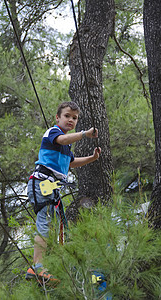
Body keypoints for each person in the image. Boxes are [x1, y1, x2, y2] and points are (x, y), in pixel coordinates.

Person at [26, 101, 101, 283]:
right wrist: (84, 134)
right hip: (41, 181)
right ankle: (37, 267)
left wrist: (92, 158)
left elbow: (71, 163)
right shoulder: (53, 133)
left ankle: (49, 267)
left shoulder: (67, 147)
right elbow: (62, 140)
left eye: (74, 118)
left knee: (56, 228)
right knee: (44, 223)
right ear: (57, 117)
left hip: (51, 187)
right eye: (67, 116)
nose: (71, 120)